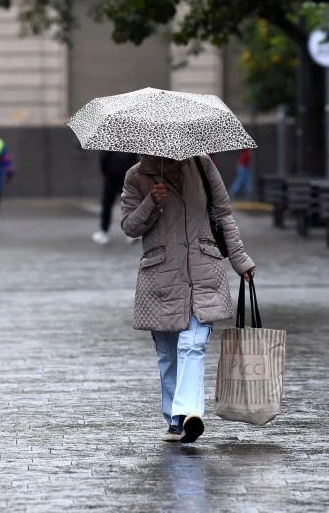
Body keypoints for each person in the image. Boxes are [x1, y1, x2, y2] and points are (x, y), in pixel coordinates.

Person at [120, 153, 255, 444]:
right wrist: (152, 202)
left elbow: (223, 214)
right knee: (168, 353)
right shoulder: (136, 176)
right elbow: (130, 227)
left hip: (202, 271)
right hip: (161, 277)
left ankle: (189, 413)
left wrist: (240, 261)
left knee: (192, 344)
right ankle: (174, 419)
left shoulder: (202, 166)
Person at [92, 151, 139, 245]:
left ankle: (107, 232)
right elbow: (104, 163)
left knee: (124, 206)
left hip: (118, 181)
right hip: (118, 180)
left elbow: (103, 163)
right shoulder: (113, 147)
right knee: (114, 205)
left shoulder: (114, 146)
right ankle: (105, 232)